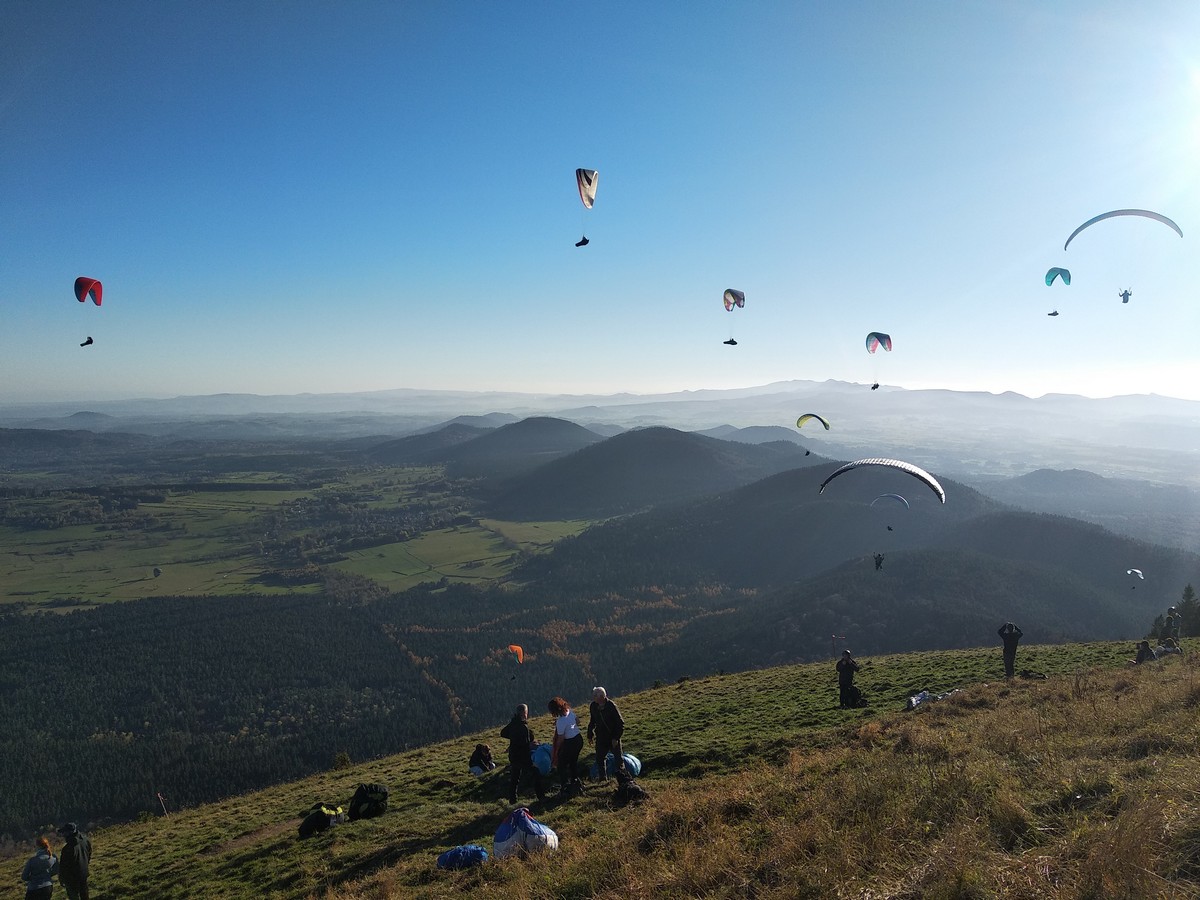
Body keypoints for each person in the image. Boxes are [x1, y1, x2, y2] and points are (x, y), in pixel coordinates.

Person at [499, 704, 545, 804]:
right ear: (524, 713)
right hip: (522, 756)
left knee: (515, 777)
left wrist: (513, 737)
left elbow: (503, 733)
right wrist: (530, 759)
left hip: (513, 755)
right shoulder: (523, 727)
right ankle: (541, 796)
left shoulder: (513, 723)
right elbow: (526, 744)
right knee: (536, 773)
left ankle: (513, 799)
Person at [587, 686, 627, 781]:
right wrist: (590, 734)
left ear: (601, 696)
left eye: (595, 696)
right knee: (600, 759)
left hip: (612, 737)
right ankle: (602, 779)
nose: (593, 698)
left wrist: (616, 738)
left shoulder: (611, 706)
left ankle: (623, 778)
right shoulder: (593, 706)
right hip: (601, 737)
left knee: (618, 759)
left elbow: (620, 723)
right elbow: (592, 721)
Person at [548, 696, 585, 797]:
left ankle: (565, 785)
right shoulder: (570, 711)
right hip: (578, 739)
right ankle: (576, 781)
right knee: (573, 762)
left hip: (570, 742)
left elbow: (561, 738)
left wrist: (557, 749)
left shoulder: (560, 721)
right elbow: (578, 721)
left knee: (561, 765)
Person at [56, 824, 90, 900]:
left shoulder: (68, 848)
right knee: (84, 895)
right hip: (83, 873)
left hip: (71, 878)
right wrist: (85, 864)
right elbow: (89, 853)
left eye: (64, 833)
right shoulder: (85, 840)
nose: (63, 835)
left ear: (68, 833)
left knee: (73, 896)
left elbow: (64, 866)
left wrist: (62, 878)